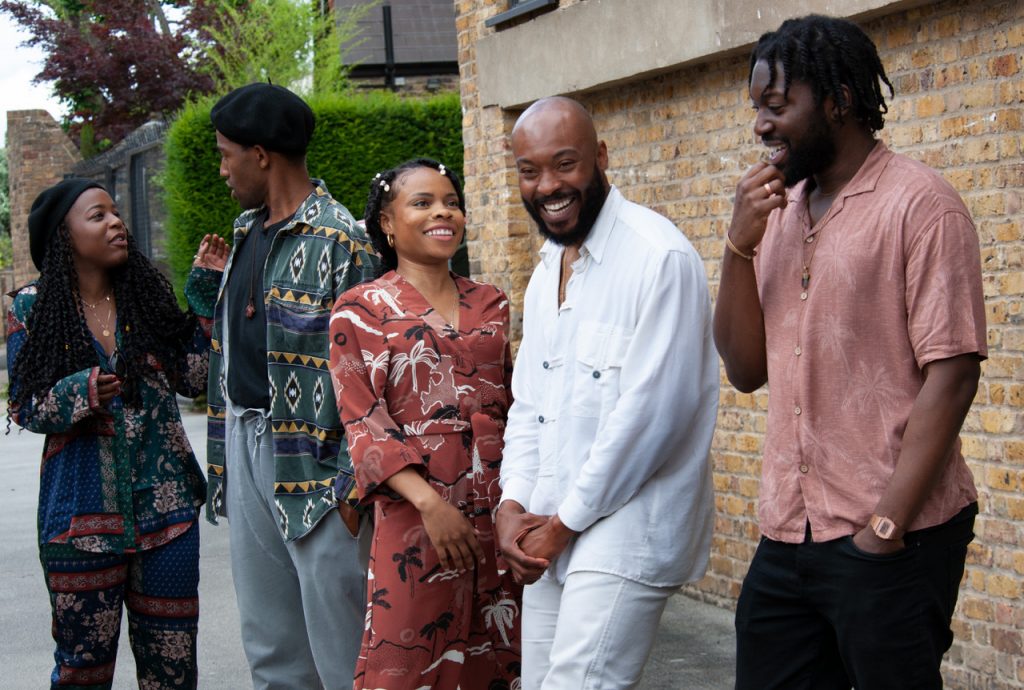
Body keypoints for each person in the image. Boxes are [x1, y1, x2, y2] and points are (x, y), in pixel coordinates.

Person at [714, 15, 987, 690]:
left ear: (836, 99)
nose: (761, 125)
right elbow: (746, 371)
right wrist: (737, 245)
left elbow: (951, 375)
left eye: (777, 106)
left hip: (892, 533)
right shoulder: (777, 213)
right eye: (756, 109)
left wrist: (885, 529)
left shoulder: (921, 206)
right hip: (788, 533)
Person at [497, 96, 719, 689]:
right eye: (529, 171)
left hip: (626, 528)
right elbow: (530, 405)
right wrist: (511, 503)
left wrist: (563, 523)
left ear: (599, 157)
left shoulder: (658, 257)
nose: (548, 186)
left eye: (564, 164)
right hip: (547, 520)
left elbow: (650, 422)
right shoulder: (548, 270)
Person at [6, 178, 227, 689]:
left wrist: (203, 299)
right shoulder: (29, 309)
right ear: (65, 235)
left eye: (116, 213)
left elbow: (196, 378)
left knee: (172, 671)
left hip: (167, 516)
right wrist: (81, 391)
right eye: (98, 215)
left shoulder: (145, 297)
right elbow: (23, 403)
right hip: (78, 523)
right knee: (82, 670)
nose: (116, 223)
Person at [203, 83, 380, 688]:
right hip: (247, 446)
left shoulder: (341, 239)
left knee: (344, 651)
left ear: (260, 155)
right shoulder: (246, 231)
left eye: (226, 154)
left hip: (321, 467)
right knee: (270, 644)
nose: (221, 168)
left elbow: (375, 374)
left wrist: (353, 492)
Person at [329, 158, 522, 689]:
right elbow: (363, 419)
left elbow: (518, 406)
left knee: (502, 658)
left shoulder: (492, 302)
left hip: (501, 510)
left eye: (451, 203)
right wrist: (430, 504)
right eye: (423, 203)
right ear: (387, 224)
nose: (444, 213)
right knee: (406, 659)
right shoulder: (359, 311)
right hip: (416, 516)